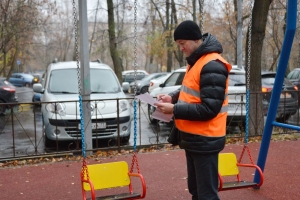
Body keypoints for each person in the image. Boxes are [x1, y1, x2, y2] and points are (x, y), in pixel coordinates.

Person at [154, 20, 232, 200]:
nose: (180, 48)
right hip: (194, 137)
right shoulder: (197, 62)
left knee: (206, 195)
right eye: (178, 44)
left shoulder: (212, 64)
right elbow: (191, 89)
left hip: (206, 138)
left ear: (196, 40)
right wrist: (172, 97)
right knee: (196, 190)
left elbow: (209, 109)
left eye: (182, 43)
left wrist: (174, 109)